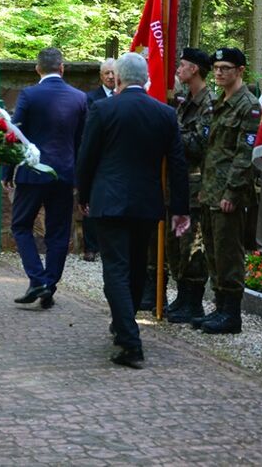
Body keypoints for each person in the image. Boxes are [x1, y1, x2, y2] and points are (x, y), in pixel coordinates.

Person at [76, 52, 190, 369]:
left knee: (115, 268)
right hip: (146, 202)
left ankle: (129, 340)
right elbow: (178, 165)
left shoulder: (103, 108)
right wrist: (180, 208)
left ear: (120, 78)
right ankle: (123, 323)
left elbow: (87, 157)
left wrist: (83, 194)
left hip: (108, 201)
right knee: (137, 266)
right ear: (146, 78)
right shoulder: (164, 114)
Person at [4, 47, 87, 308]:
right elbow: (82, 142)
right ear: (62, 68)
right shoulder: (80, 98)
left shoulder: (29, 95)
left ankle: (37, 280)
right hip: (64, 174)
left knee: (20, 226)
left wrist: (7, 170)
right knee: (59, 233)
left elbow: (14, 135)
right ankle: (49, 285)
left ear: (37, 69)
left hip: (32, 173)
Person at [191, 47, 260, 335]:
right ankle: (219, 307)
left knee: (229, 252)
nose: (219, 72)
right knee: (214, 251)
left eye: (226, 68)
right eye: (217, 67)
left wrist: (231, 192)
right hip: (211, 191)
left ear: (240, 71)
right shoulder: (221, 101)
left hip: (229, 194)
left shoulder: (248, 105)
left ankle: (231, 315)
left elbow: (245, 155)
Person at [164, 48, 214, 323]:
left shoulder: (209, 103)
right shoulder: (185, 103)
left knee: (192, 247)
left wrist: (171, 129)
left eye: (182, 65)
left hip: (197, 187)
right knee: (176, 246)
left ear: (194, 69)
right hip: (180, 184)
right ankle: (182, 295)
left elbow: (198, 145)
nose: (178, 70)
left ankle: (193, 301)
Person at [81, 58, 116, 262]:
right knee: (90, 204)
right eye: (107, 73)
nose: (111, 76)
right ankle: (90, 247)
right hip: (98, 156)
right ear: (101, 76)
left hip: (118, 157)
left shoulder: (123, 96)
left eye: (113, 73)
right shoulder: (90, 98)